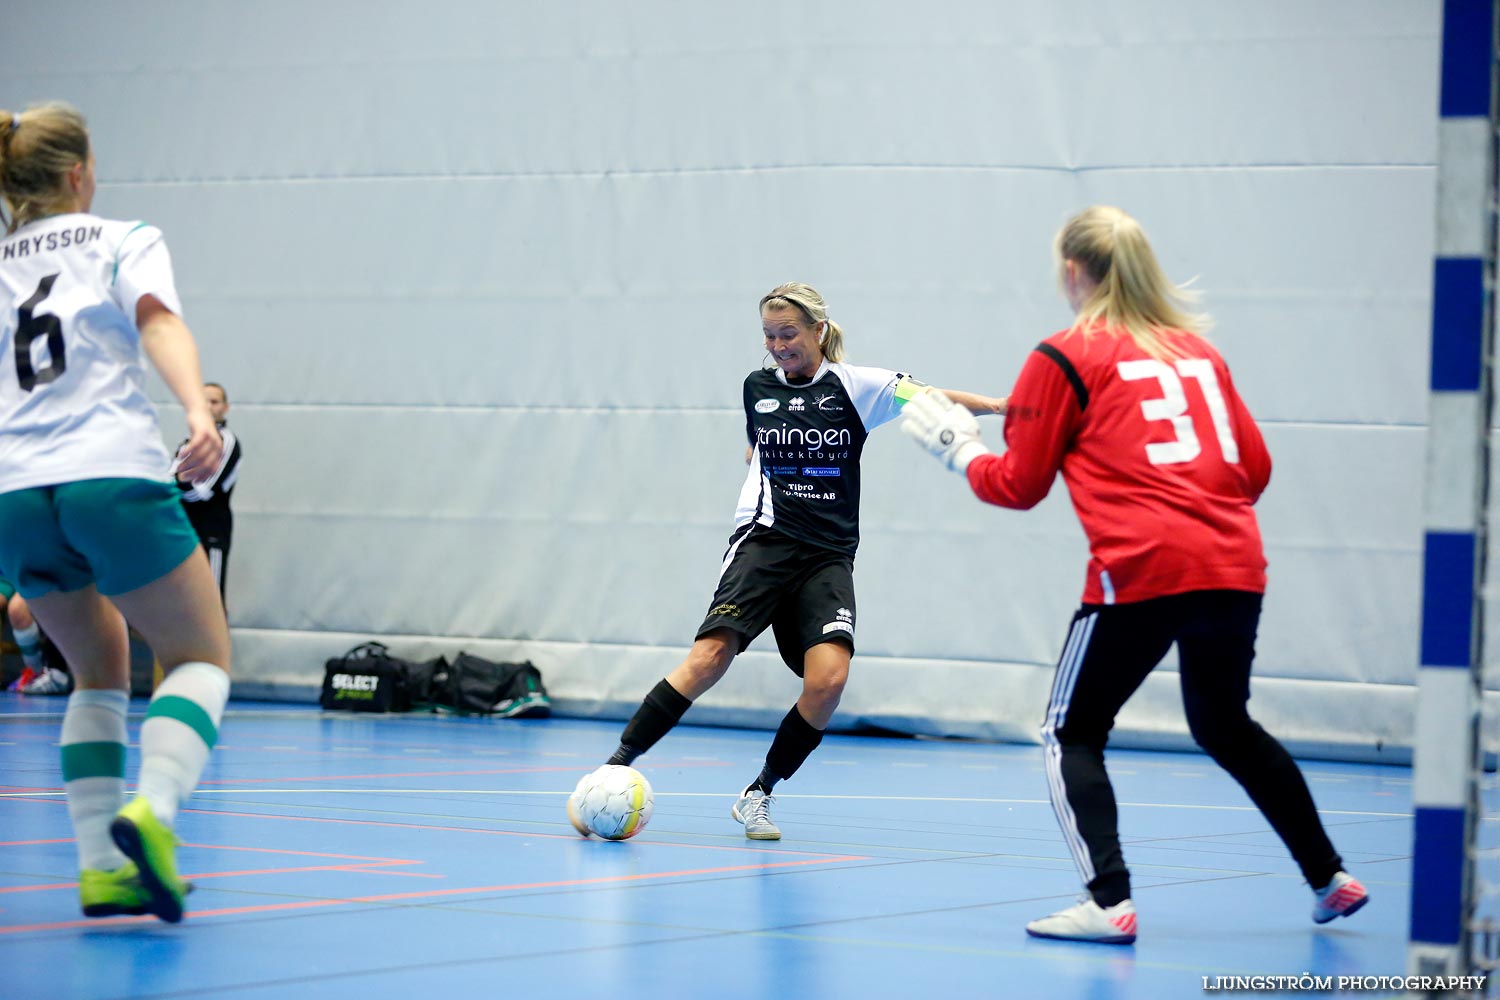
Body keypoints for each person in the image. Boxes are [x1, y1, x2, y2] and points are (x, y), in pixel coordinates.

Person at [901, 205, 1367, 943]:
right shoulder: (1198, 356)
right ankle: (1329, 876)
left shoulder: (1062, 355)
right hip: (1235, 561)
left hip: (1143, 566)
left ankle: (1108, 900)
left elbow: (1019, 486)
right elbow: (1257, 469)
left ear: (1072, 270)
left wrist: (960, 451)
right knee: (1226, 724)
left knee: (1070, 729)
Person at [584, 282, 1006, 841]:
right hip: (765, 541)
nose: (779, 345)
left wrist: (1000, 405)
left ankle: (759, 792)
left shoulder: (860, 388)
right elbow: (757, 441)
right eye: (769, 335)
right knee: (710, 657)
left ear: (818, 333)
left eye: (789, 333)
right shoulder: (756, 387)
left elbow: (929, 399)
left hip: (828, 555)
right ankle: (613, 767)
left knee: (828, 681)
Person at [0, 102, 232, 923]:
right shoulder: (120, 237)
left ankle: (102, 867)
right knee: (200, 656)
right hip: (107, 473)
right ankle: (155, 810)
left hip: (17, 491)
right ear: (77, 173)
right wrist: (199, 415)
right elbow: (157, 320)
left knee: (96, 669)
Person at [177, 381, 242, 602]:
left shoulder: (227, 442)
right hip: (184, 534)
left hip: (210, 535)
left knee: (210, 603)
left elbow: (201, 493)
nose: (208, 406)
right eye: (203, 401)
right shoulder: (188, 443)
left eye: (214, 401)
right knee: (183, 603)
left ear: (225, 407)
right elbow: (171, 481)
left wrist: (178, 482)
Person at [1, 579, 71, 694]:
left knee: (18, 609)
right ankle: (36, 673)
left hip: (43, 576)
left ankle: (47, 673)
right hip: (13, 575)